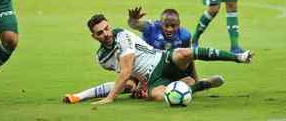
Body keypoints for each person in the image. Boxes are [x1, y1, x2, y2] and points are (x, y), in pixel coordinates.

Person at [86, 14, 252, 105]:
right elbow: (129, 74)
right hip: (152, 80)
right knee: (161, 96)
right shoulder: (102, 59)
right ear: (94, 36)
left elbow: (126, 70)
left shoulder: (121, 35)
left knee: (184, 54)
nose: (106, 33)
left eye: (106, 28)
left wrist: (110, 98)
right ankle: (199, 85)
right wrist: (140, 85)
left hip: (161, 60)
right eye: (100, 32)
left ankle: (237, 57)